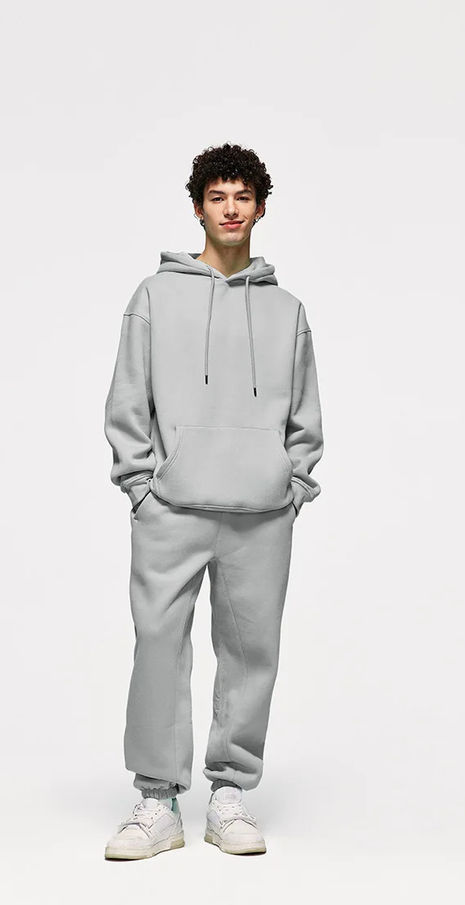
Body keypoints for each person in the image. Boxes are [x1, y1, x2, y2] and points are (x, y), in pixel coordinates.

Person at [103, 142, 324, 859]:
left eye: (243, 197)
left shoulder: (286, 309)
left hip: (260, 514)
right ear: (198, 208)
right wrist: (141, 486)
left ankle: (228, 794)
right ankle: (157, 801)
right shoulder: (154, 296)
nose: (231, 209)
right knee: (157, 649)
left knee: (252, 654)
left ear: (260, 208)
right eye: (218, 197)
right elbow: (128, 399)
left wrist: (290, 486)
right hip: (171, 508)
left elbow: (306, 417)